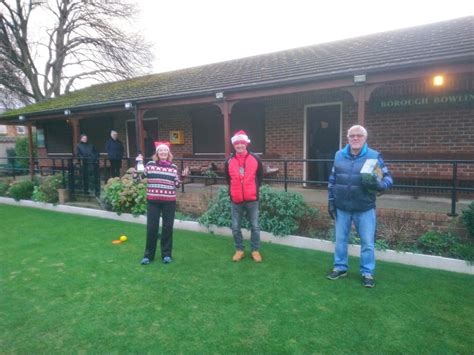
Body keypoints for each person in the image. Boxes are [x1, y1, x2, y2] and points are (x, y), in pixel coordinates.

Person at [326, 125, 393, 288]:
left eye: (359, 136)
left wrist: (379, 185)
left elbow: (388, 179)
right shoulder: (339, 155)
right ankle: (340, 267)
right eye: (352, 136)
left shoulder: (374, 156)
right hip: (342, 206)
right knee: (340, 240)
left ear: (365, 138)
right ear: (347, 138)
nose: (355, 138)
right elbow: (333, 179)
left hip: (365, 207)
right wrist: (331, 200)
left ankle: (367, 272)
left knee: (367, 243)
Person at [134, 141, 188, 265]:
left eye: (165, 151)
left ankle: (166, 255)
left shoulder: (173, 167)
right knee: (152, 228)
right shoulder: (150, 165)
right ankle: (148, 256)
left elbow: (177, 184)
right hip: (153, 202)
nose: (163, 152)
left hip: (169, 202)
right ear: (157, 153)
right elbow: (138, 179)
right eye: (160, 151)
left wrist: (183, 177)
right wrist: (138, 165)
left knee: (167, 228)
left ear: (168, 153)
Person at [224, 130, 264, 263]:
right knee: (235, 227)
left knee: (255, 226)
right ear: (234, 145)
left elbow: (260, 177)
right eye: (237, 144)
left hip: (252, 198)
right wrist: (234, 191)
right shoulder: (229, 160)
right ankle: (239, 250)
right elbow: (228, 179)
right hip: (236, 199)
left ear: (246, 144)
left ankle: (255, 250)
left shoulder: (255, 158)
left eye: (241, 144)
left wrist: (253, 189)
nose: (239, 146)